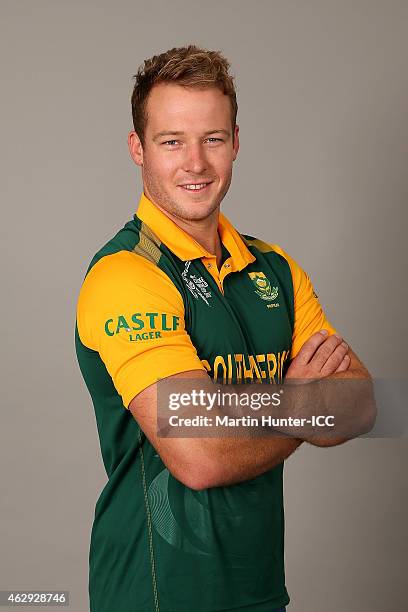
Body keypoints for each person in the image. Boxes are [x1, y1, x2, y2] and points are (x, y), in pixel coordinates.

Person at [75, 45, 372, 612]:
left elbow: (360, 405)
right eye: (171, 141)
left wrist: (240, 418)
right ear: (137, 148)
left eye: (212, 139)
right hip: (155, 592)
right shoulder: (126, 275)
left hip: (259, 589)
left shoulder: (275, 270)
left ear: (236, 141)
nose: (196, 163)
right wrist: (301, 400)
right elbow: (202, 456)